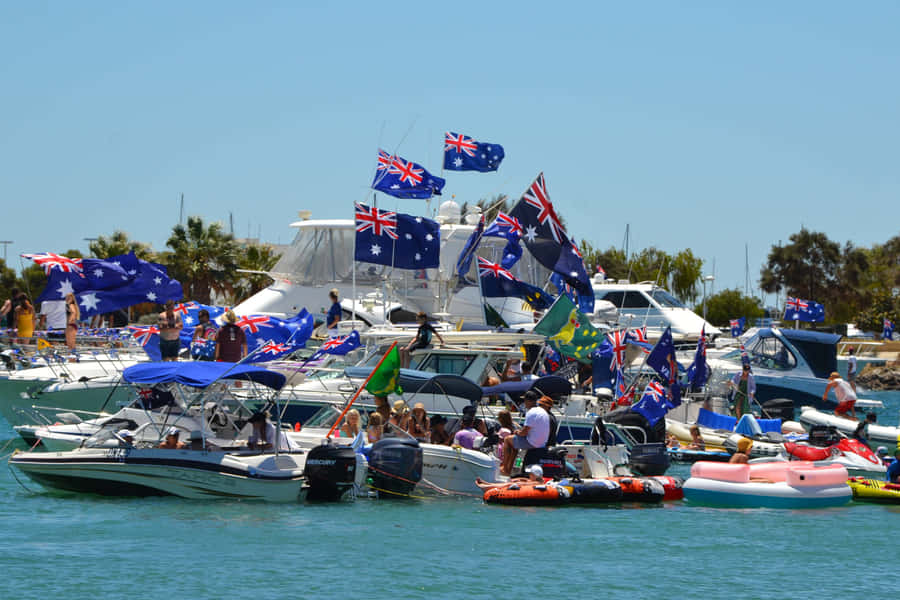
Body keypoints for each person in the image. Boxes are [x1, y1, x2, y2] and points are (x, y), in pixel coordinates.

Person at [499, 390, 550, 476]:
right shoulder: (542, 411)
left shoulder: (531, 412)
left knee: (507, 439)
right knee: (514, 443)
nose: (524, 403)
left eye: (525, 401)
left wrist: (518, 432)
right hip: (543, 443)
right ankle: (508, 469)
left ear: (529, 401)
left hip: (533, 443)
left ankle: (505, 467)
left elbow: (524, 433)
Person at [476, 464, 546, 491]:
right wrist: (519, 479)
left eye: (530, 474)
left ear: (534, 475)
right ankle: (488, 484)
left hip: (522, 489)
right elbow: (527, 481)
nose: (529, 475)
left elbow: (524, 484)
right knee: (510, 483)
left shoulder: (537, 483)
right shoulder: (537, 481)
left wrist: (517, 482)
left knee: (508, 485)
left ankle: (486, 486)